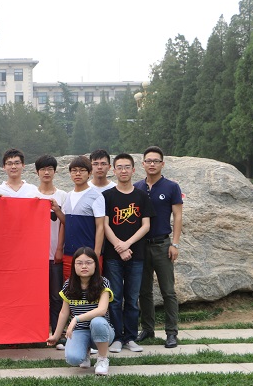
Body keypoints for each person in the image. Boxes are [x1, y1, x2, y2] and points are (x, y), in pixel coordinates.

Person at [102, 153, 154, 354]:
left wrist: (127, 244)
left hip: (136, 254)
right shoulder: (107, 196)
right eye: (119, 167)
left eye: (127, 167)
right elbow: (104, 224)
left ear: (133, 170)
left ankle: (130, 337)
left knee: (132, 299)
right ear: (113, 171)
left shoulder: (142, 196)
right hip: (112, 256)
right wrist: (118, 245)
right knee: (115, 299)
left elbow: (146, 225)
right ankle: (117, 337)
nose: (123, 171)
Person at [134, 146, 183, 348]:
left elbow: (178, 216)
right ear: (143, 164)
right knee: (143, 291)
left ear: (162, 164)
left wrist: (175, 244)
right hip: (141, 246)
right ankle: (148, 328)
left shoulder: (171, 187)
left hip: (163, 245)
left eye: (156, 161)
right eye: (148, 161)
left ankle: (171, 332)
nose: (152, 164)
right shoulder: (137, 187)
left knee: (168, 291)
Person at [47, 247, 114, 376]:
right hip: (80, 331)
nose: (84, 266)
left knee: (98, 322)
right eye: (79, 263)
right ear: (74, 266)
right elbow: (64, 312)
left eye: (88, 262)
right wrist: (56, 335)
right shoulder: (68, 285)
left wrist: (77, 318)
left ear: (95, 265)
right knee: (73, 358)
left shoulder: (103, 283)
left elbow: (102, 310)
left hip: (102, 331)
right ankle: (85, 352)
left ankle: (102, 359)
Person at [33, 155, 67, 350]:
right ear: (36, 172)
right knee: (36, 297)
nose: (46, 173)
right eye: (43, 169)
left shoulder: (63, 196)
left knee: (56, 296)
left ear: (55, 171)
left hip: (55, 254)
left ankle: (57, 333)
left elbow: (67, 222)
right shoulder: (31, 195)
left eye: (50, 169)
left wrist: (60, 248)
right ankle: (36, 333)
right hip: (34, 256)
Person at [62, 156, 105, 281]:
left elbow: (100, 226)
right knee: (70, 287)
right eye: (74, 170)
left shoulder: (96, 196)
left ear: (89, 173)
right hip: (69, 253)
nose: (77, 174)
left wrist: (96, 254)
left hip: (89, 254)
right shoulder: (68, 196)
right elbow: (66, 223)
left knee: (92, 288)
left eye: (82, 170)